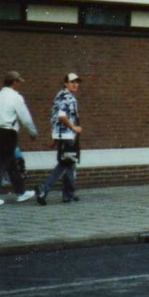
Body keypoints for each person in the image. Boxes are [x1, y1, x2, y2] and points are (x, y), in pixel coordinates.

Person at [36, 72, 84, 205]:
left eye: (77, 82)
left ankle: (69, 194)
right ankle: (44, 188)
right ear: (65, 83)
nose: (75, 84)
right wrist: (74, 128)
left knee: (69, 163)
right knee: (65, 164)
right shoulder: (67, 97)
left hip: (63, 135)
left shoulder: (60, 95)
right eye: (72, 82)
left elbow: (55, 118)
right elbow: (62, 116)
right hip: (68, 135)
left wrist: (55, 138)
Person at [0, 70, 38, 204]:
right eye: (18, 82)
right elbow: (25, 117)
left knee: (11, 164)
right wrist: (32, 132)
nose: (19, 84)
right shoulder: (16, 97)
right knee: (2, 163)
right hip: (9, 132)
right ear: (14, 82)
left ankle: (21, 192)